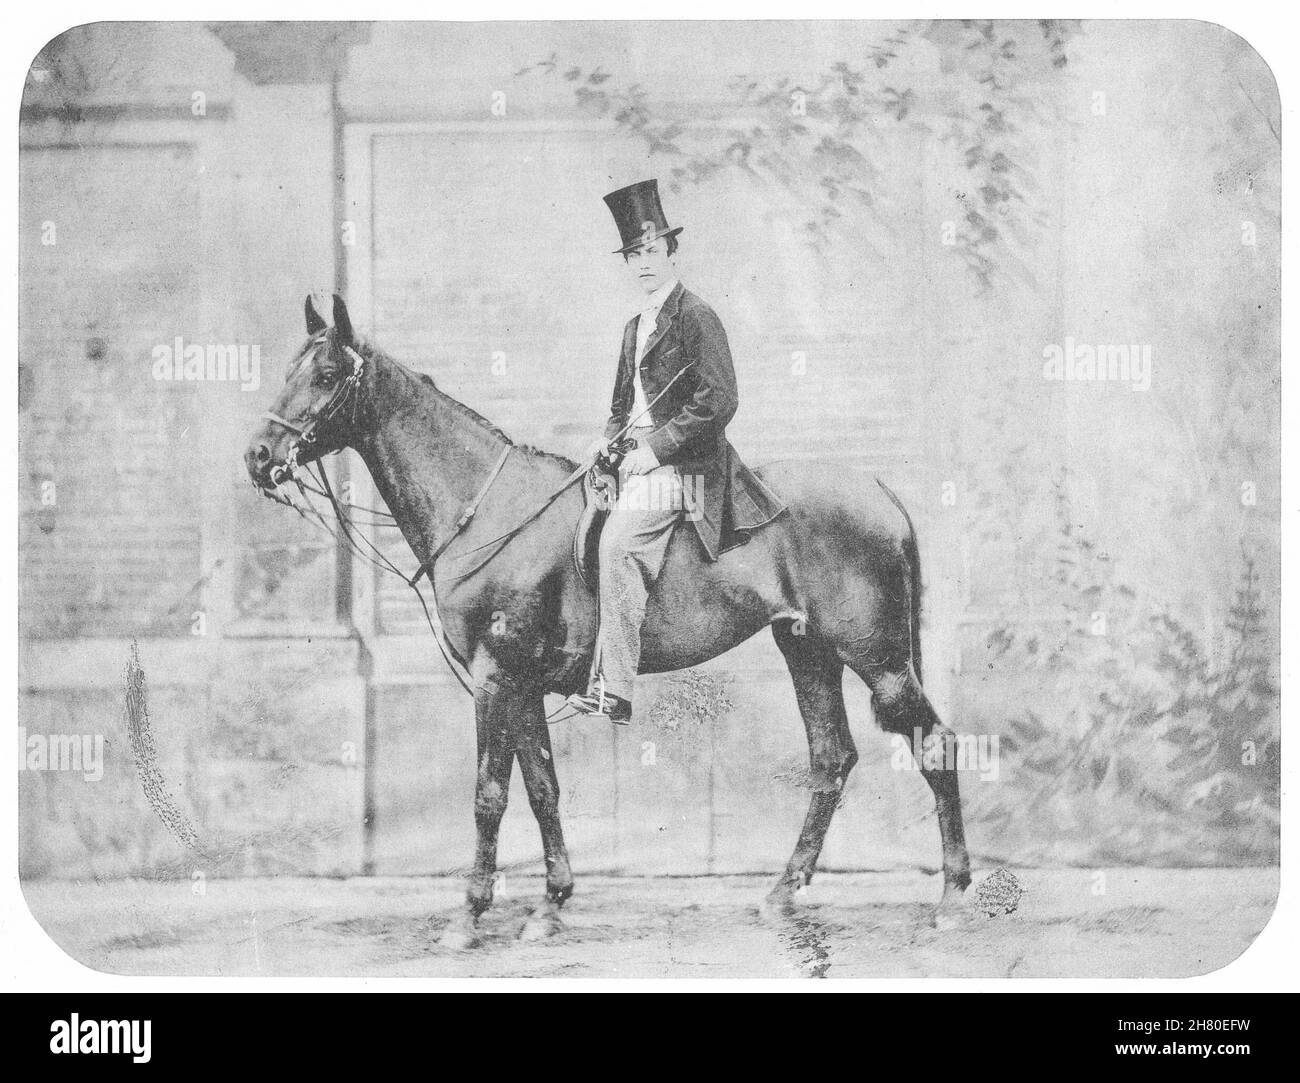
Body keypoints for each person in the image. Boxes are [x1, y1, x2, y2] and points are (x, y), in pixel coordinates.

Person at [566, 180, 787, 723]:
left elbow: (721, 398)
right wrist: (609, 438)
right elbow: (624, 405)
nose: (643, 263)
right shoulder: (633, 327)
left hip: (691, 469)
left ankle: (613, 690)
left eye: (651, 251)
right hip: (639, 461)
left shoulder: (695, 315)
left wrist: (658, 448)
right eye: (633, 255)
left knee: (618, 543)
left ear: (671, 252)